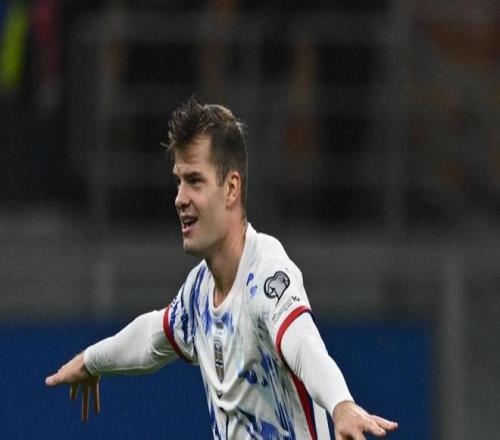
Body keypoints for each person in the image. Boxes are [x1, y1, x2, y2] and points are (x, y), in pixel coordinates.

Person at [45, 97, 398, 440]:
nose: (180, 198)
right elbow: (154, 335)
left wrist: (341, 404)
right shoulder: (199, 290)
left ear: (230, 188)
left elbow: (303, 343)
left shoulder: (266, 273)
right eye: (179, 181)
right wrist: (91, 360)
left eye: (194, 181)